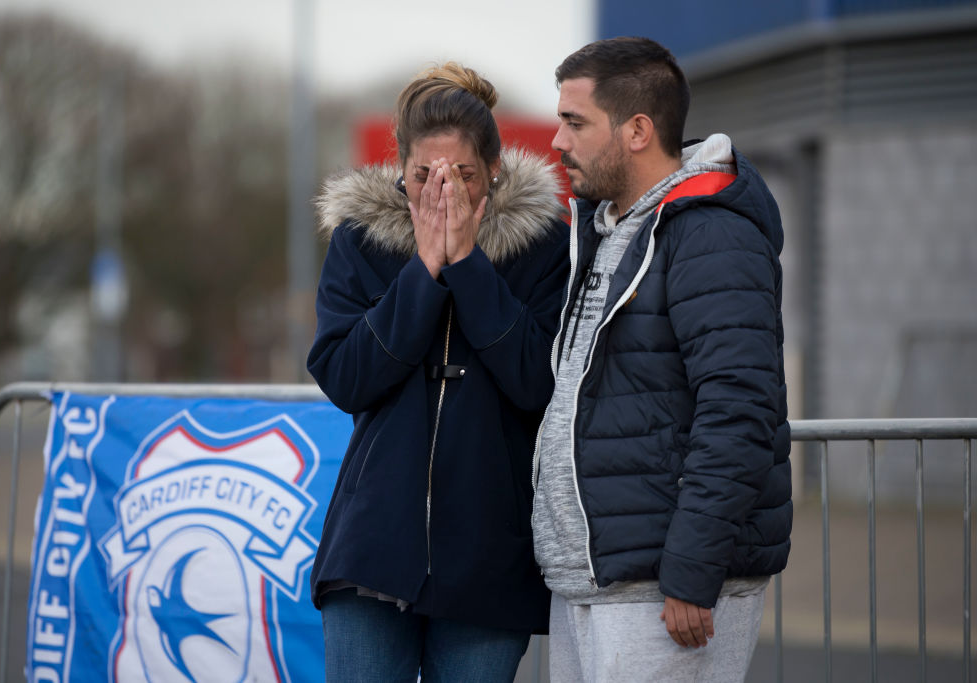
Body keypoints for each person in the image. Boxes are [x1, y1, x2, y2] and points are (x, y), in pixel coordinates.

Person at [531, 36, 793, 682]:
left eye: (575, 123)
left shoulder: (711, 234)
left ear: (638, 130)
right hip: (595, 579)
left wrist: (691, 569)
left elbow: (738, 407)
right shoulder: (605, 230)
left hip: (663, 590)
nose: (558, 142)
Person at [307, 62, 569, 682]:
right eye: (423, 175)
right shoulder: (360, 242)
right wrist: (423, 270)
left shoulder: (545, 248)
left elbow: (538, 381)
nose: (441, 192)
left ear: (495, 169)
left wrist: (470, 266)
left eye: (463, 176)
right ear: (400, 168)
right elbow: (346, 378)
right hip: (371, 551)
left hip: (488, 560)